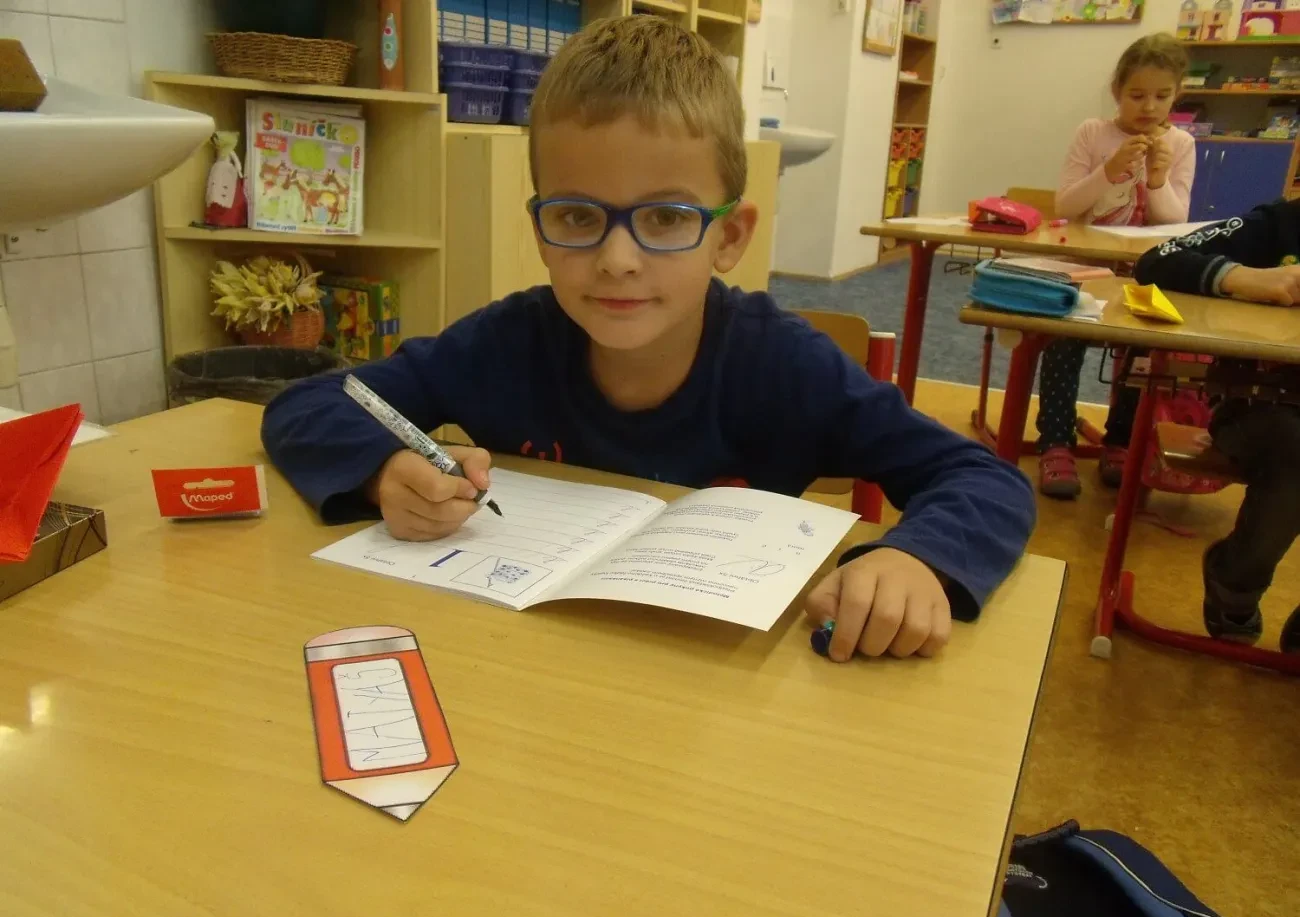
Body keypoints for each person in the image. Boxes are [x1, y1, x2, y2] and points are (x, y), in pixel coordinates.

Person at [262, 16, 1035, 664]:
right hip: (525, 665)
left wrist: (914, 556)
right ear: (540, 227)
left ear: (729, 237)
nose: (618, 259)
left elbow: (983, 479)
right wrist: (383, 471)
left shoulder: (781, 363)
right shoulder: (506, 341)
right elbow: (309, 404)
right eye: (577, 215)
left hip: (714, 690)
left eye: (666, 217)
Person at [1134, 200, 1300, 650]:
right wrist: (1244, 277)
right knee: (1294, 451)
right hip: (1261, 405)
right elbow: (1156, 260)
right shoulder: (1279, 225)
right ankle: (1235, 584)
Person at [1037, 32, 1194, 500]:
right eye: (1137, 95)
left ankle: (1121, 442)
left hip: (1142, 273)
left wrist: (1158, 178)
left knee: (1142, 353)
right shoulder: (1093, 133)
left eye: (1162, 96)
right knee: (1064, 341)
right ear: (1117, 92)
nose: (1149, 107)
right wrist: (1108, 171)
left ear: (1178, 94)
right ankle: (1055, 442)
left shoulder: (1181, 143)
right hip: (1084, 269)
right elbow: (1066, 206)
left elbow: (1174, 223)